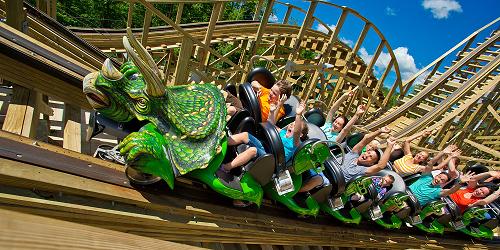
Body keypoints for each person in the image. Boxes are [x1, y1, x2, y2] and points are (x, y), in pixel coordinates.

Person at [394, 130, 458, 177]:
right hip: (388, 167)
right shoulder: (408, 155)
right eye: (420, 154)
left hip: (394, 176)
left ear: (423, 160)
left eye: (422, 157)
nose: (419, 156)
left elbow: (438, 167)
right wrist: (421, 133)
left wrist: (449, 156)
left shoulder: (418, 167)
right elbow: (407, 141)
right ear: (417, 153)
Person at [408, 169, 475, 207]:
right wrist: (443, 153)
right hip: (404, 193)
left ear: (443, 183)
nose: (439, 180)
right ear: (436, 176)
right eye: (439, 177)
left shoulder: (439, 191)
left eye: (442, 180)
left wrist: (460, 182)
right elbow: (430, 164)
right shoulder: (426, 177)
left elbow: (451, 191)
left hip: (411, 203)